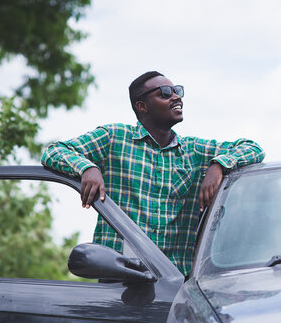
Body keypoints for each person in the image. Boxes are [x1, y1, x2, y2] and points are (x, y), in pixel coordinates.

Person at [41, 71, 265, 275]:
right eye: (166, 93)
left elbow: (253, 148)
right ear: (142, 106)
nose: (176, 97)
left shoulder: (194, 151)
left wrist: (219, 165)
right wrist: (87, 167)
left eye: (177, 91)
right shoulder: (114, 138)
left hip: (176, 282)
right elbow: (54, 151)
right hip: (120, 279)